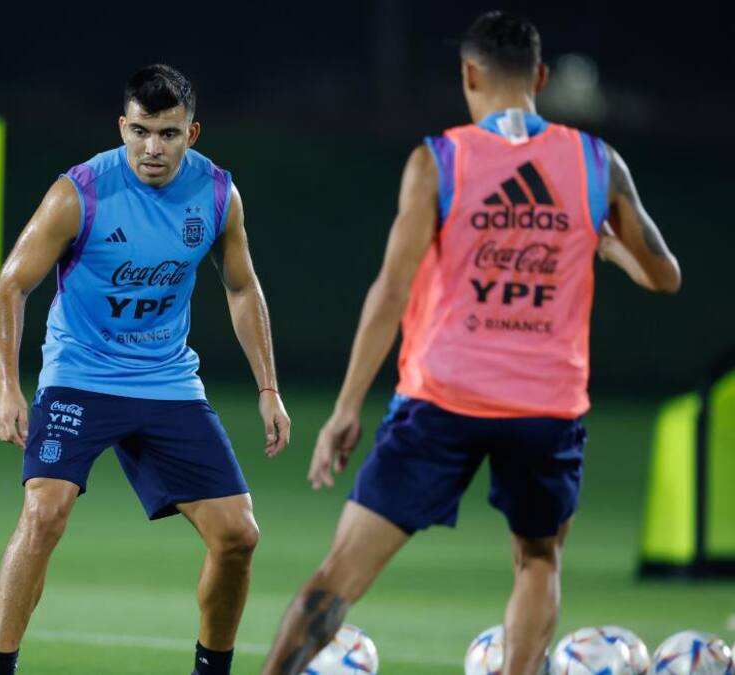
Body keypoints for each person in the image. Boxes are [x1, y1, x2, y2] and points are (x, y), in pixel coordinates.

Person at [260, 11, 681, 675]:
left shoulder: (439, 159)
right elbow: (666, 274)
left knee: (341, 571)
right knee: (538, 560)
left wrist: (345, 408)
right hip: (547, 407)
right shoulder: (597, 161)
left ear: (468, 75)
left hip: (444, 398)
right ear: (541, 77)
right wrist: (609, 251)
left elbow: (390, 293)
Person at [0, 64, 291, 675]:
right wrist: (8, 388)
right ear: (123, 126)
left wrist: (268, 388)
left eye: (169, 133)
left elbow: (241, 288)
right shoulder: (79, 194)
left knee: (239, 536)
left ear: (192, 133)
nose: (153, 148)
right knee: (44, 511)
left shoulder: (217, 195)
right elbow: (11, 287)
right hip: (80, 374)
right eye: (142, 131)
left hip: (166, 381)